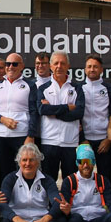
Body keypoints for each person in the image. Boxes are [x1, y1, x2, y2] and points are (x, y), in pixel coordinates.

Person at [0, 53, 39, 187]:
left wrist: (31, 135)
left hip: (21, 136)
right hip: (0, 137)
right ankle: (5, 198)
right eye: (8, 64)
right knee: (3, 174)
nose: (10, 67)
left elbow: (34, 112)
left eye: (14, 64)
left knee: (23, 172)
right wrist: (2, 119)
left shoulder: (30, 85)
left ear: (21, 66)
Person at [37, 51, 85, 179]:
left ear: (68, 66)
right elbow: (42, 110)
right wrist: (67, 108)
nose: (59, 66)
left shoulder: (77, 88)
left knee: (71, 182)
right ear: (51, 66)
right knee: (48, 181)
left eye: (63, 63)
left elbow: (79, 112)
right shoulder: (43, 88)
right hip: (49, 141)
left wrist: (53, 111)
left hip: (70, 143)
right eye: (56, 63)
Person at [79, 54, 111, 187]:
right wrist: (82, 139)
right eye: (89, 66)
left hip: (104, 141)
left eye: (95, 67)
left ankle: (105, 200)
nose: (92, 69)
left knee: (105, 179)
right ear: (85, 69)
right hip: (85, 141)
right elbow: (76, 116)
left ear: (101, 69)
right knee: (83, 177)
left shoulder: (109, 88)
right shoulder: (78, 88)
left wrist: (108, 139)